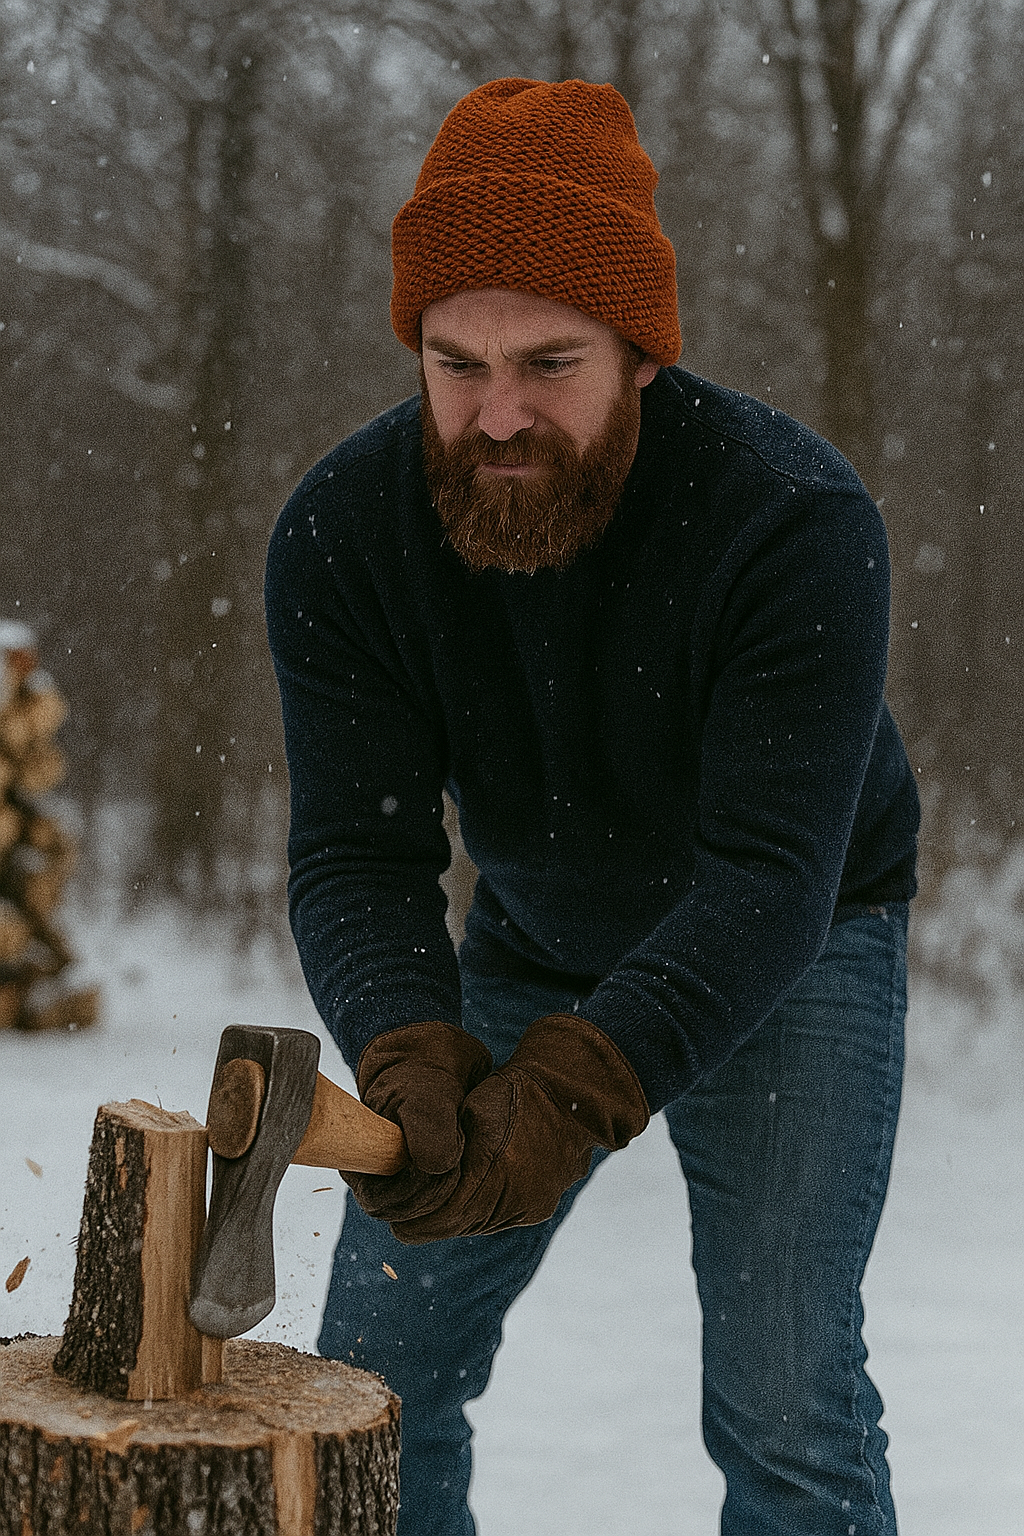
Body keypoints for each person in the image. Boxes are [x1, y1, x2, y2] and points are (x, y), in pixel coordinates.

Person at [265, 77, 919, 1536]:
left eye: (550, 361)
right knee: (369, 1378)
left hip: (796, 948)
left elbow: (766, 875)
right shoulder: (342, 531)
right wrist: (410, 1049)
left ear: (638, 348)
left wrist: (567, 1096)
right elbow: (357, 852)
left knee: (785, 1402)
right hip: (538, 930)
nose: (499, 413)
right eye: (455, 361)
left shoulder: (791, 521)